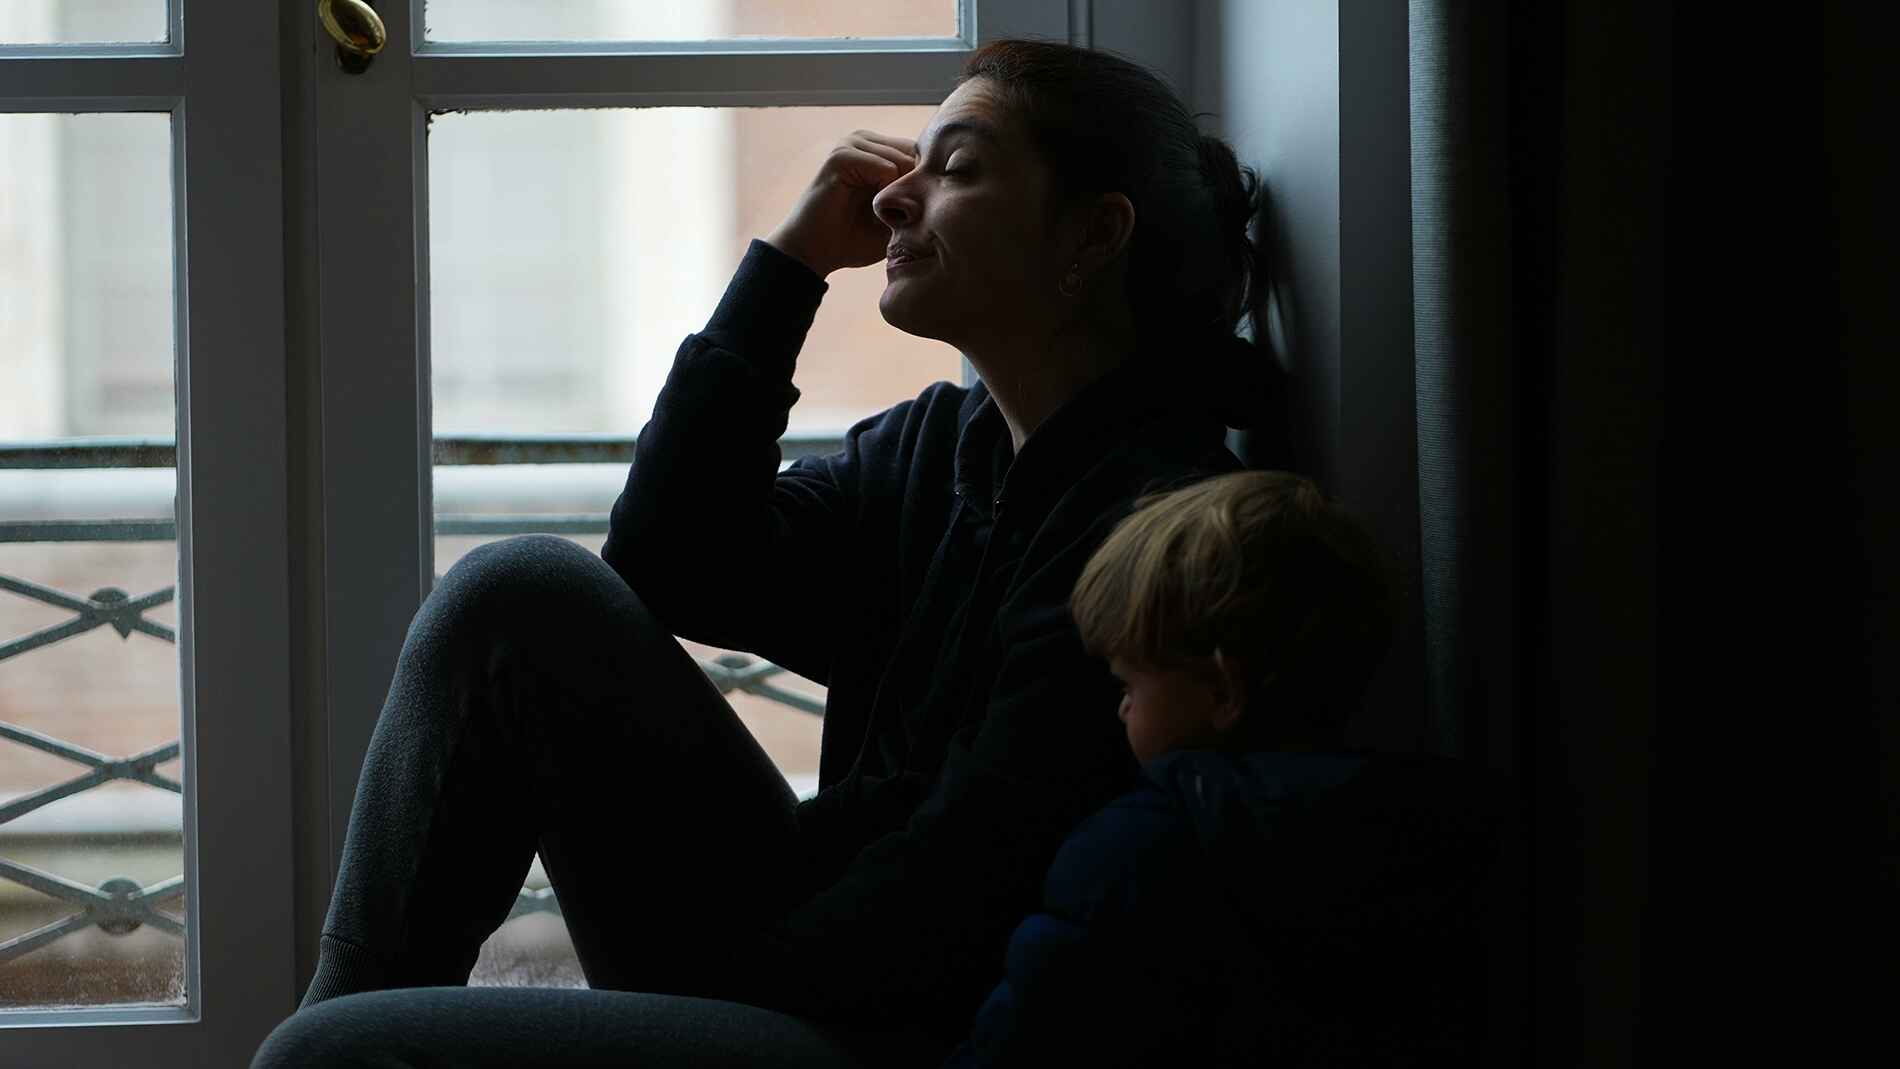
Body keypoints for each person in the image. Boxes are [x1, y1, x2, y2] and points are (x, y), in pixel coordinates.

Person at [254, 37, 1285, 1069]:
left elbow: (961, 891)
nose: (893, 198)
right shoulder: (938, 449)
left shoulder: (1153, 520)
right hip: (800, 952)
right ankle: (346, 1001)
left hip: (905, 1025)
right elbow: (669, 560)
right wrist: (784, 273)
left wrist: (716, 966)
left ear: (1093, 233)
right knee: (516, 592)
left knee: (335, 1055)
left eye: (958, 167)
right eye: (913, 162)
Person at [946, 471, 1504, 1067]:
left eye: (1129, 682)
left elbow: (1029, 1038)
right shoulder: (1422, 841)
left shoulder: (1135, 853)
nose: (1122, 707)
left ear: (1223, 691)